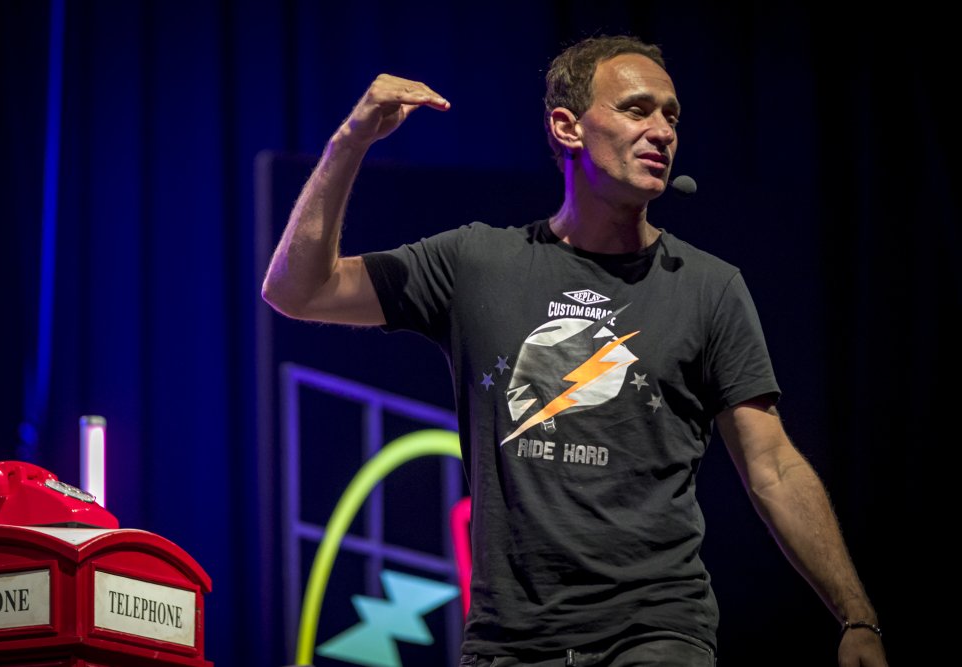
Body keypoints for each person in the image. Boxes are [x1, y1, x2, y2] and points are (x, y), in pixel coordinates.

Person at [262, 34, 888, 667]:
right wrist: (350, 142)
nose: (662, 132)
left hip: (656, 634)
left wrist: (857, 616)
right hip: (508, 644)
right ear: (567, 128)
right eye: (637, 110)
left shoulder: (708, 287)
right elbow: (296, 290)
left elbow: (772, 465)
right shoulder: (477, 263)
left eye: (672, 117)